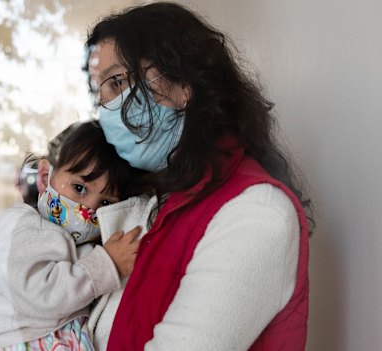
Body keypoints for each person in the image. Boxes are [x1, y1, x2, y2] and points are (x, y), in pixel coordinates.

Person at [84, 2, 313, 350]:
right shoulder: (157, 203)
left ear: (183, 83)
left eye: (117, 82)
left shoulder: (256, 212)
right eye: (101, 93)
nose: (107, 110)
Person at [0, 121, 145, 351]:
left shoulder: (79, 243)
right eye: (79, 188)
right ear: (46, 176)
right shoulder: (21, 226)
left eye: (105, 203)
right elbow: (40, 295)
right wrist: (107, 266)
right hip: (21, 341)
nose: (88, 209)